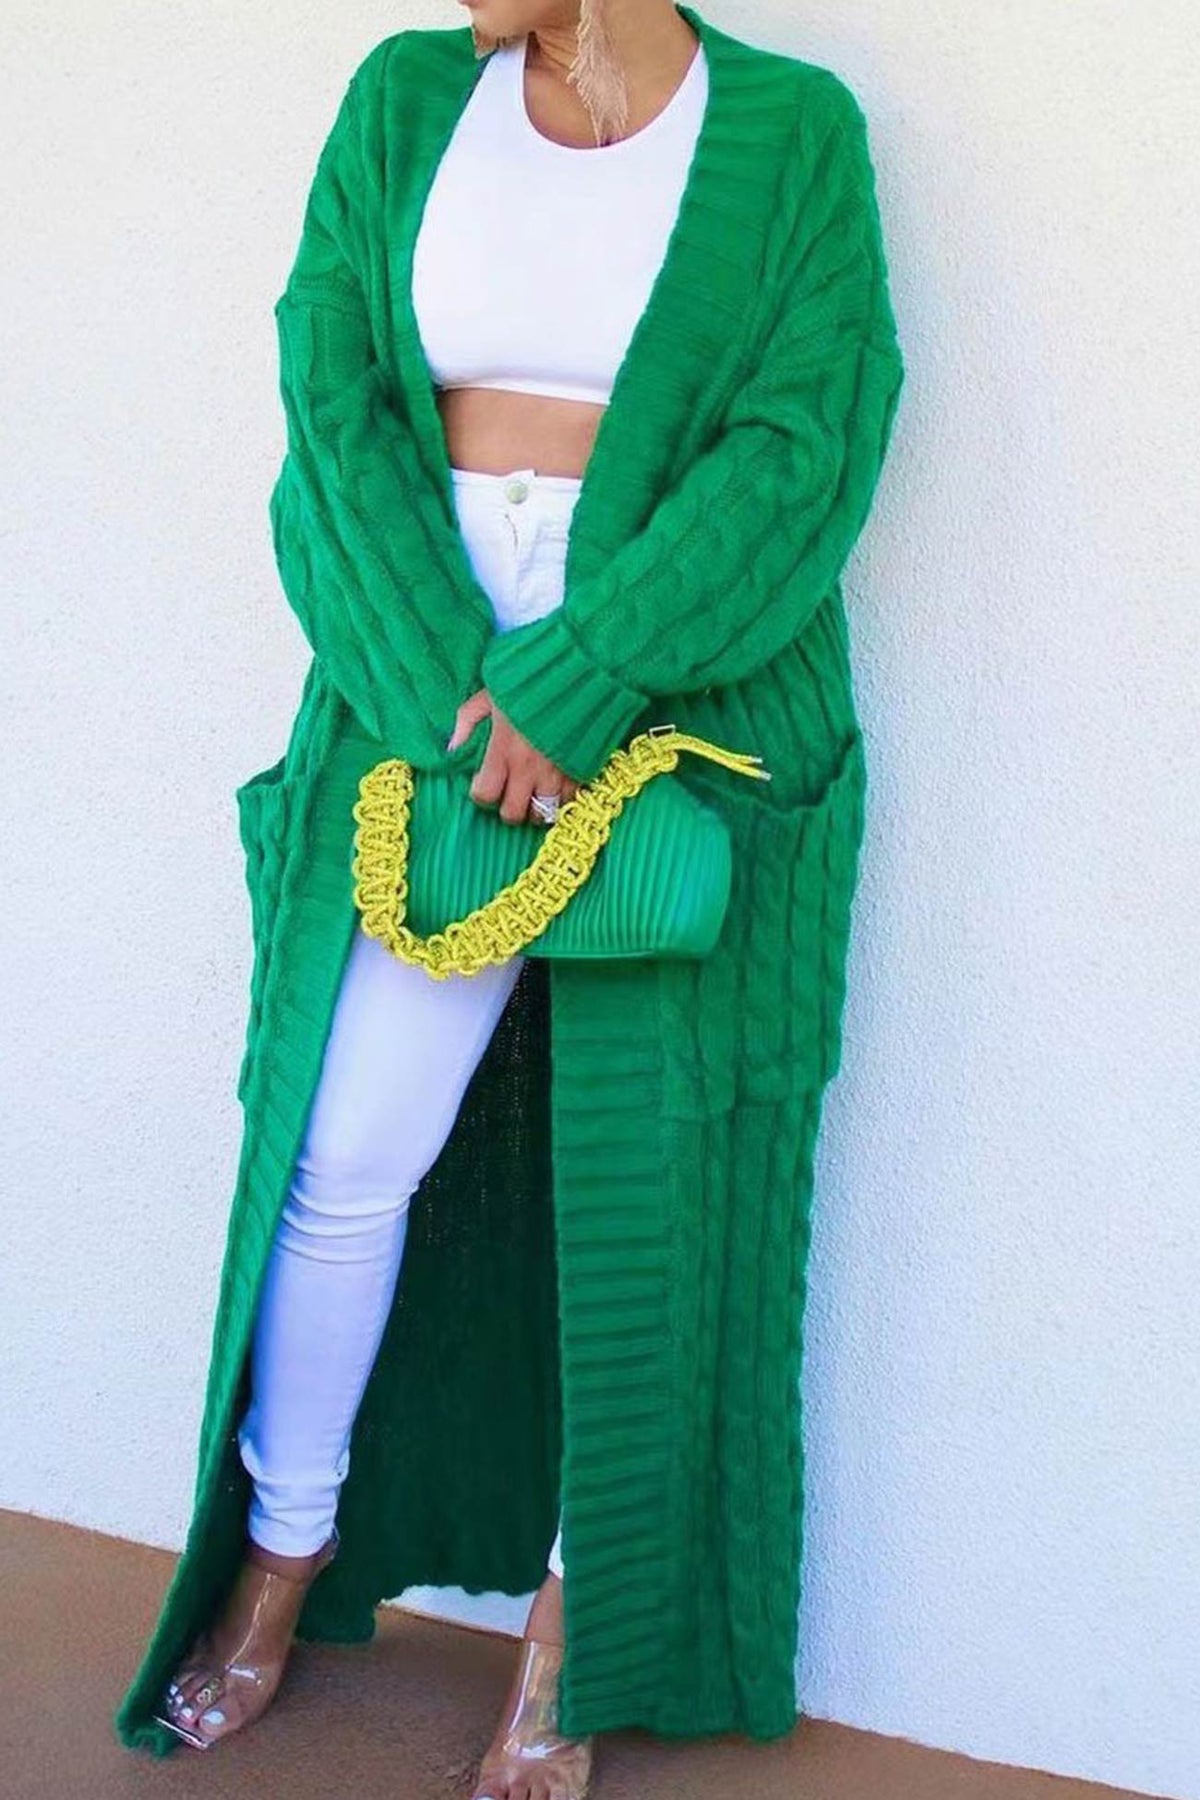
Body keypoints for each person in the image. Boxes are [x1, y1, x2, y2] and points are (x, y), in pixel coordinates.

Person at [113, 3, 905, 1794]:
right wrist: (446, 687)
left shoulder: (793, 132)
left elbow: (806, 439)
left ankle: (578, 1626)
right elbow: (330, 396)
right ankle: (282, 1549)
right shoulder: (405, 98)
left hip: (681, 672)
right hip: (429, 670)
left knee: (654, 1180)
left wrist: (589, 669)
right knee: (344, 1152)